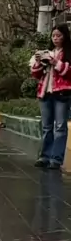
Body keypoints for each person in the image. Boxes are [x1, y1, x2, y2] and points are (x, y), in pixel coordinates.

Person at [30, 24, 71, 169]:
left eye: (58, 35)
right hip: (45, 93)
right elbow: (36, 75)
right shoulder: (48, 52)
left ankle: (56, 159)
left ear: (65, 36)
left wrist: (56, 63)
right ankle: (45, 156)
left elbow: (68, 73)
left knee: (60, 127)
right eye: (53, 36)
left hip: (62, 93)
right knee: (46, 127)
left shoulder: (68, 53)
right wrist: (38, 61)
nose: (55, 38)